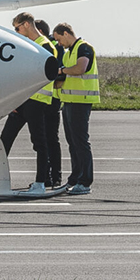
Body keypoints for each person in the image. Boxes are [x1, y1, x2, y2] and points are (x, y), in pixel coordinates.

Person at [0, 13, 57, 193]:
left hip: (37, 101)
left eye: (17, 28)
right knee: (5, 139)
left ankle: (40, 182)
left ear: (27, 24)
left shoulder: (46, 46)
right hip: (22, 101)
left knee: (39, 142)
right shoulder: (28, 45)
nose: (17, 32)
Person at [52, 22, 99, 195]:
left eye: (58, 39)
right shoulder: (68, 53)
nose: (58, 44)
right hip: (69, 101)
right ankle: (74, 178)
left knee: (80, 141)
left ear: (65, 33)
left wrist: (62, 71)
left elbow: (80, 68)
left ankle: (85, 181)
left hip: (81, 101)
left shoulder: (84, 48)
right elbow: (65, 76)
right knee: (72, 142)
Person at [34, 19, 63, 188]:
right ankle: (49, 176)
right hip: (49, 97)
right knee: (48, 139)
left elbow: (57, 73)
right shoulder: (52, 46)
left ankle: (52, 176)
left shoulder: (50, 47)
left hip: (49, 99)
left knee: (49, 139)